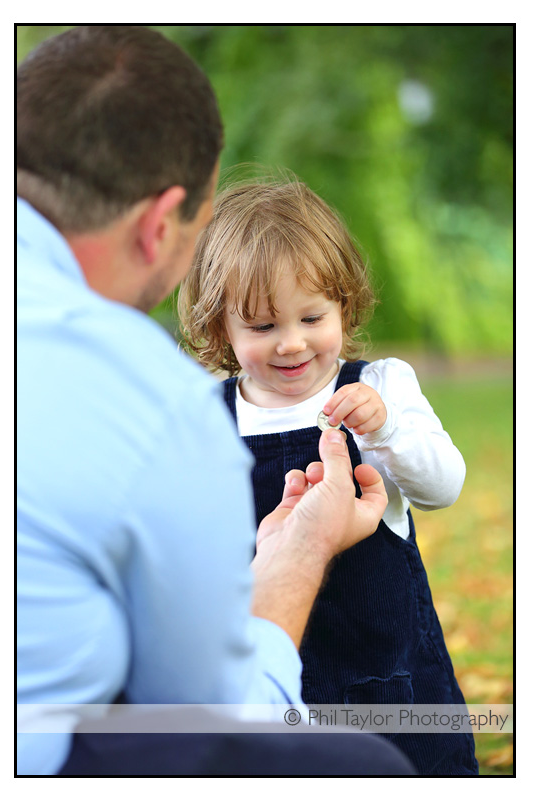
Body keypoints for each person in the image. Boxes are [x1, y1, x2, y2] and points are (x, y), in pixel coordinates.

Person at [16, 26, 416, 776]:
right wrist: (302, 551)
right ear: (160, 223)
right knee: (375, 771)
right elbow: (213, 716)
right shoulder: (149, 396)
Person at [177, 176, 477, 774]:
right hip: (269, 677)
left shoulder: (380, 386)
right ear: (220, 329)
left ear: (343, 304)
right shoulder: (205, 418)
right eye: (262, 327)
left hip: (389, 676)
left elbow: (444, 488)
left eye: (311, 317)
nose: (291, 344)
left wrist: (386, 430)